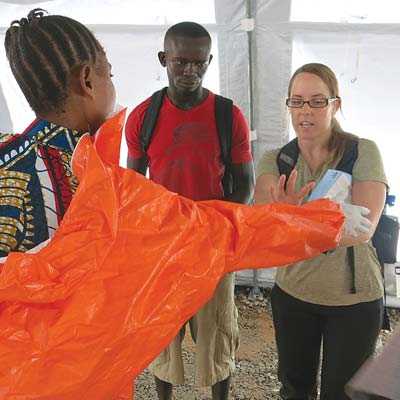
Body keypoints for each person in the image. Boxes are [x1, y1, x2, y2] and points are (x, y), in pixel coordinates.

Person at [124, 21, 254, 400]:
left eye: (199, 63)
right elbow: (135, 185)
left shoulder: (228, 116)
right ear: (164, 59)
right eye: (180, 62)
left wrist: (211, 228)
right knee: (161, 333)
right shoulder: (143, 117)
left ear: (209, 61)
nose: (190, 71)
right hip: (162, 247)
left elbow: (243, 185)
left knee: (216, 333)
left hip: (211, 246)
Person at [255, 62, 387, 400]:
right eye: (296, 101)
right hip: (293, 295)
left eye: (317, 101)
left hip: (354, 300)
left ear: (335, 105)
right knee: (294, 389)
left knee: (341, 394)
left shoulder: (362, 151)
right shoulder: (276, 160)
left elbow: (363, 229)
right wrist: (326, 218)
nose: (306, 111)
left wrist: (294, 217)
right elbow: (263, 226)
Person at [1, 8, 115, 257]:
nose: (113, 87)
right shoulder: (74, 179)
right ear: (87, 82)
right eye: (109, 73)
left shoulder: (12, 158)